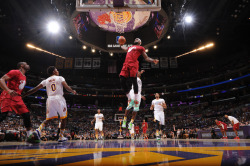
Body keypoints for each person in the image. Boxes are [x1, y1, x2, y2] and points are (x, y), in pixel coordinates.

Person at [22, 66, 77, 143]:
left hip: (50, 99)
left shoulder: (46, 80)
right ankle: (61, 137)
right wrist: (72, 91)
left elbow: (35, 89)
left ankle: (38, 130)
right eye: (57, 70)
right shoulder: (60, 78)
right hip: (59, 98)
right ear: (54, 71)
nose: (58, 71)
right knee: (63, 118)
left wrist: (25, 94)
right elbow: (66, 87)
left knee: (49, 118)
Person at [120, 38, 159, 130]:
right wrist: (121, 44)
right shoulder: (130, 47)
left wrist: (153, 60)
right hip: (133, 92)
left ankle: (131, 122)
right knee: (130, 106)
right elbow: (123, 48)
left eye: (138, 39)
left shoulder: (140, 48)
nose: (136, 39)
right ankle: (125, 120)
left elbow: (146, 58)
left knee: (136, 109)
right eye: (136, 38)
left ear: (140, 42)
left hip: (138, 93)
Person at [0, 62, 35, 143]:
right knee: (3, 115)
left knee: (26, 115)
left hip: (17, 98)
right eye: (26, 63)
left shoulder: (24, 77)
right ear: (22, 66)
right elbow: (1, 79)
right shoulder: (15, 72)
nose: (28, 64)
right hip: (8, 95)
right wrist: (8, 90)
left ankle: (29, 136)